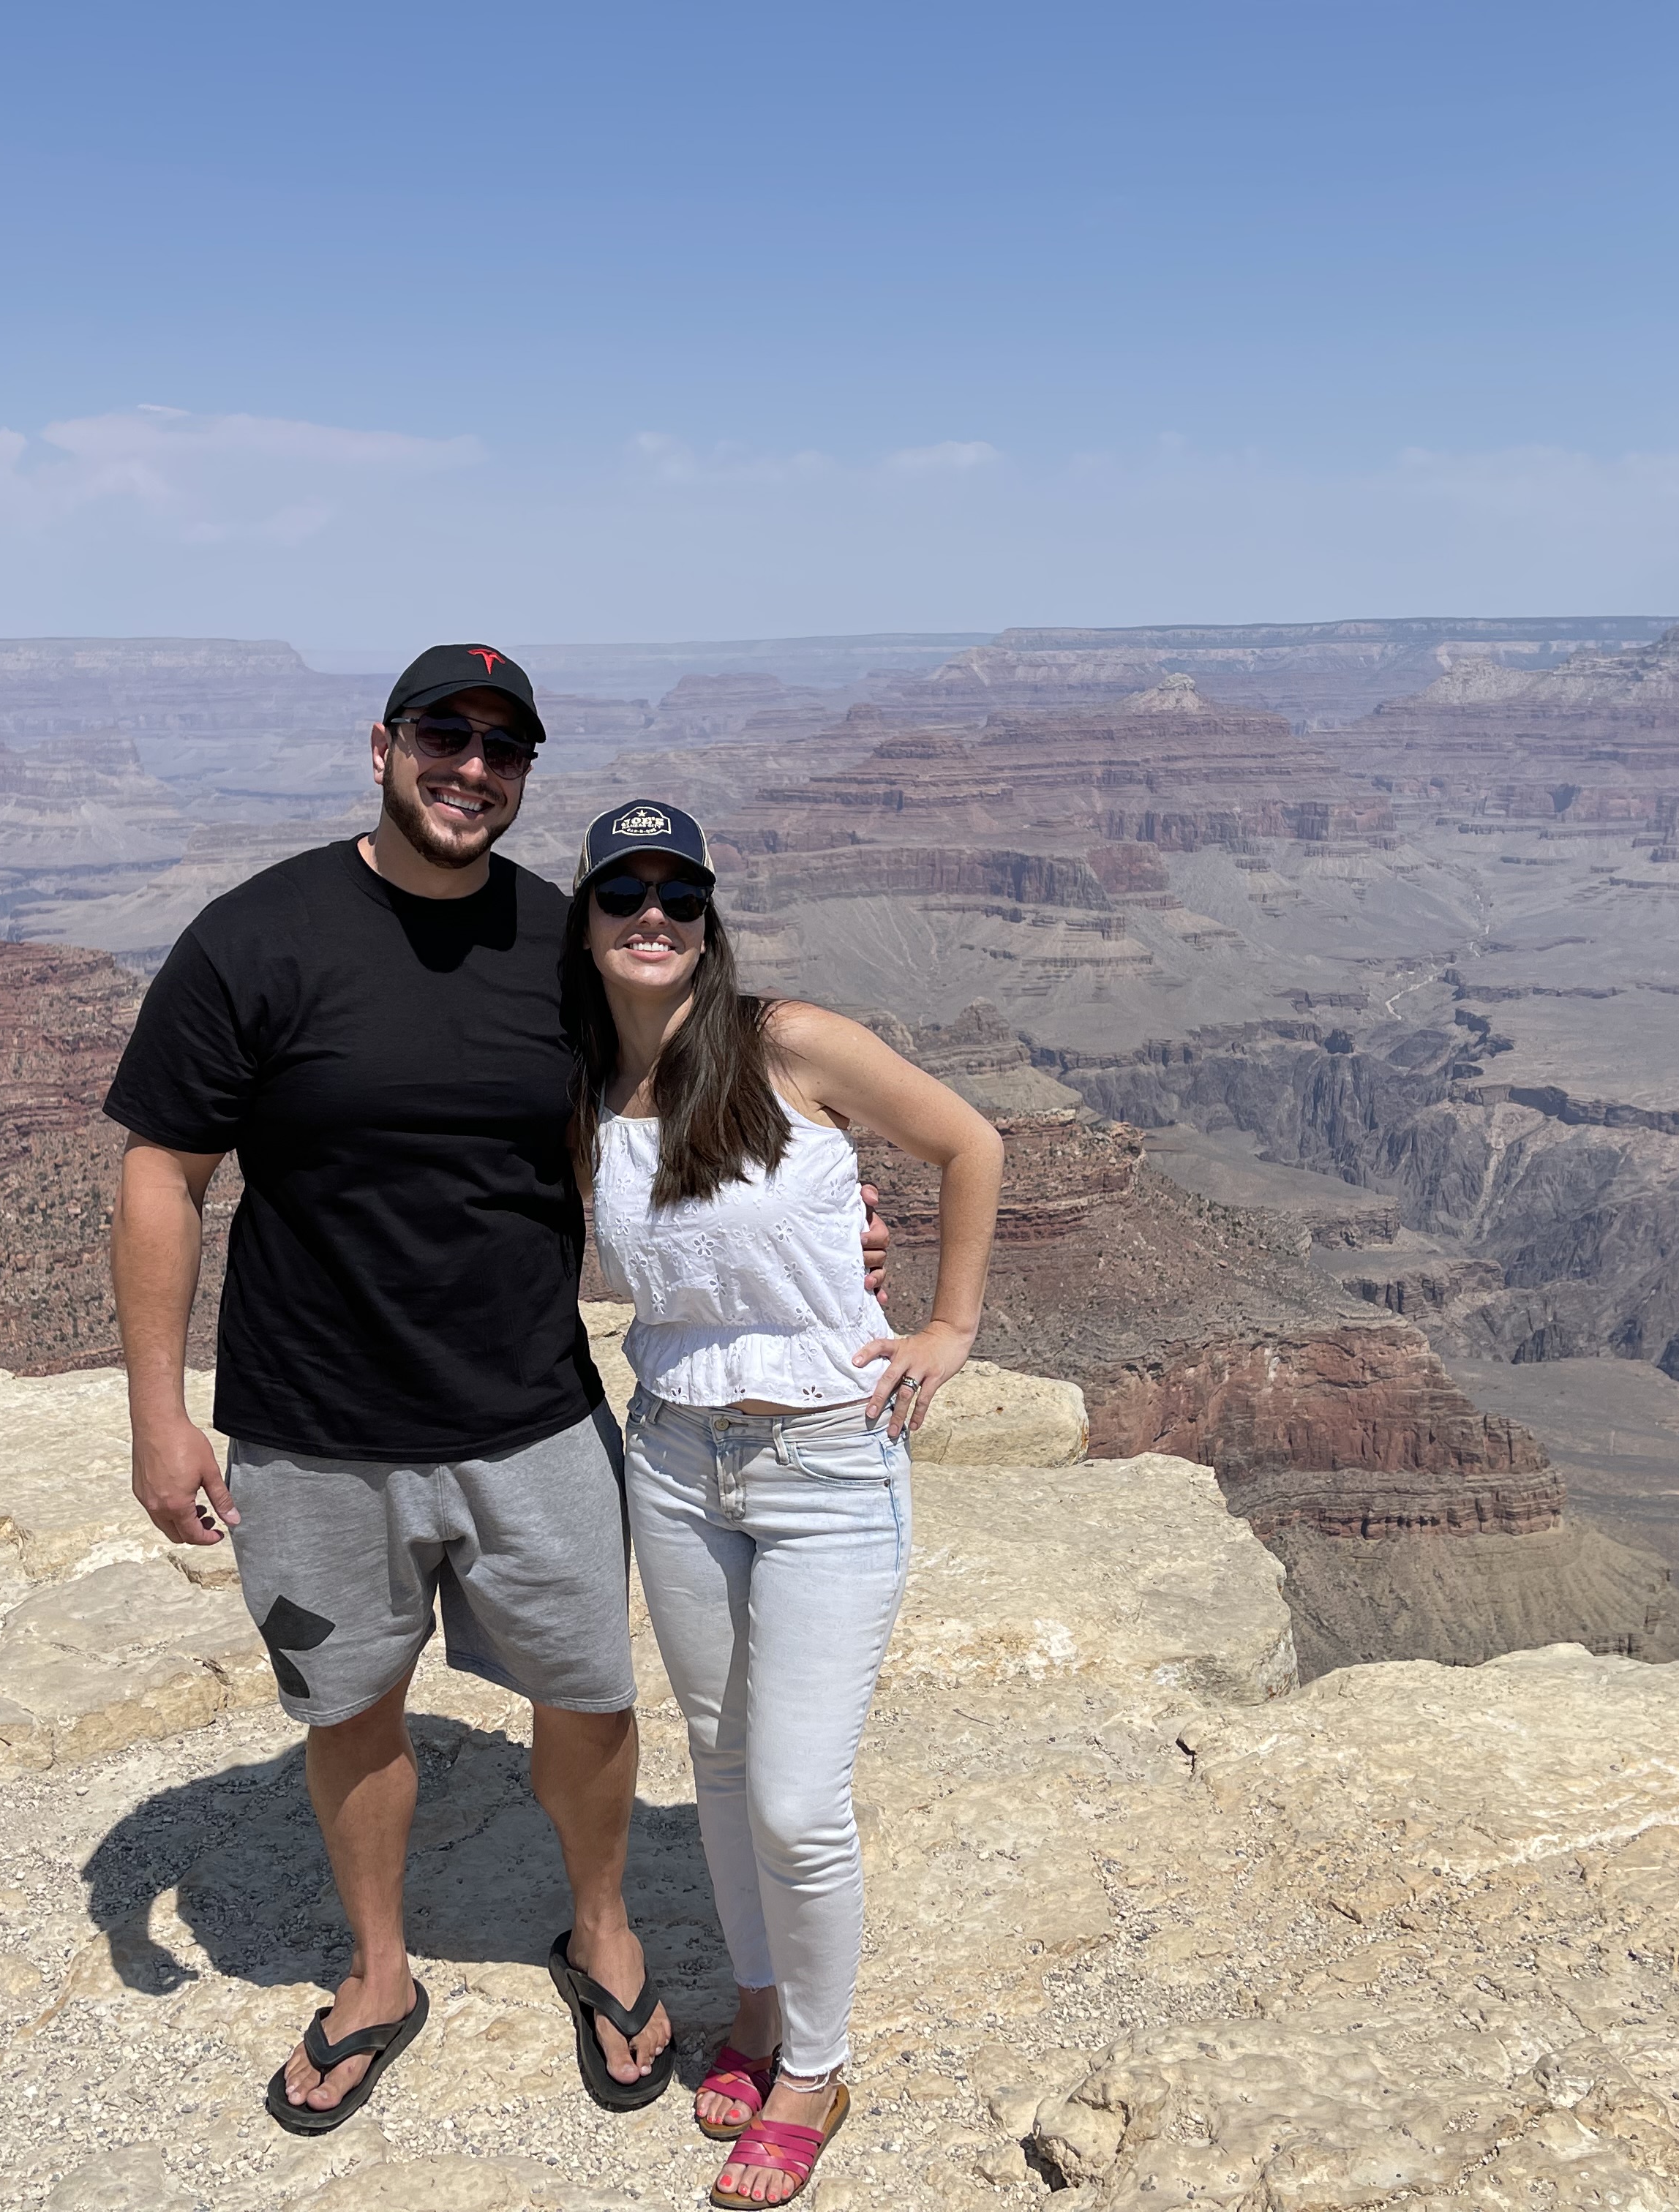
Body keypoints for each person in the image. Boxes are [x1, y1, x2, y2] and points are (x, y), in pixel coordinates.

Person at [102, 650, 886, 2136]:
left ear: (526, 772)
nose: (472, 768)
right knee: (352, 1709)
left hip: (532, 1415)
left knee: (586, 1699)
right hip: (314, 1429)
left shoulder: (565, 941)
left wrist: (823, 1217)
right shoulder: (253, 938)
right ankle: (380, 1971)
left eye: (504, 747)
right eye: (444, 738)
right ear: (384, 746)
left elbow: (688, 1098)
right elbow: (163, 1169)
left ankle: (602, 1931)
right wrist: (158, 1410)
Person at [566, 798, 1003, 2209]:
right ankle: (755, 2011)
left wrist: (946, 1329)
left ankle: (816, 2063)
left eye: (676, 895)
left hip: (824, 1460)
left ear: (707, 915)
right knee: (722, 1755)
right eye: (623, 891)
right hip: (676, 1457)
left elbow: (969, 1144)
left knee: (802, 1801)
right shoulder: (585, 1086)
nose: (652, 915)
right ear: (586, 918)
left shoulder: (786, 1044)